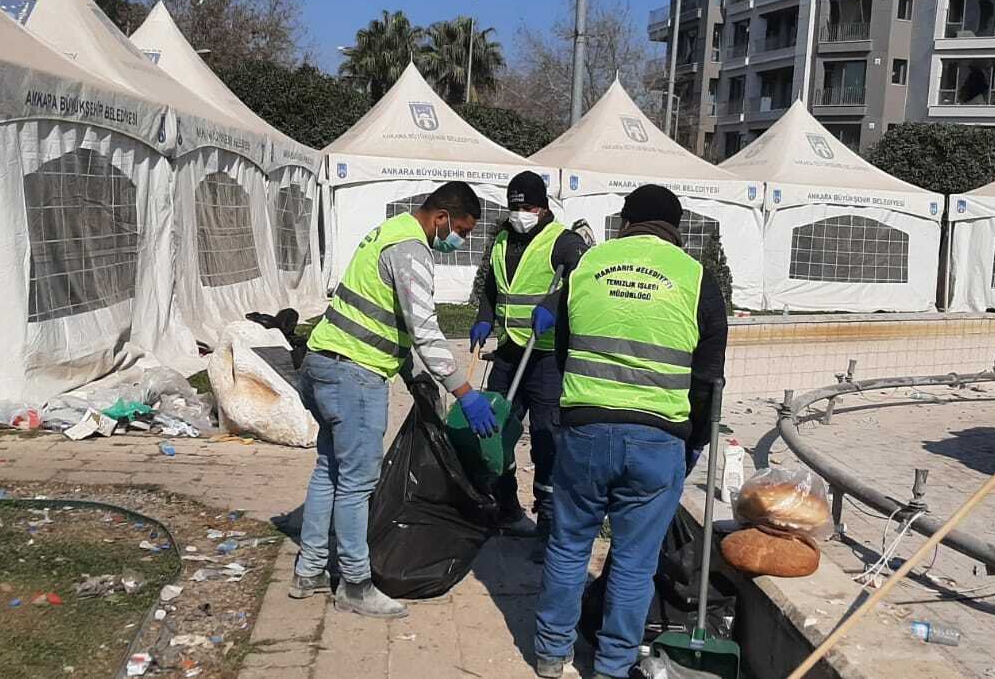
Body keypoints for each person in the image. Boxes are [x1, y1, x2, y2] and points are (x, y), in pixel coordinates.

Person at [533, 185, 728, 679]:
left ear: (625, 220)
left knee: (568, 545)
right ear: (675, 227)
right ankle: (613, 665)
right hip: (659, 438)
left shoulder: (587, 267)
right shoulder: (696, 277)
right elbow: (709, 377)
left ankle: (551, 654)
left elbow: (562, 351)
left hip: (586, 431)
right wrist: (695, 441)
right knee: (634, 561)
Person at [291, 181, 500, 619]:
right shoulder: (409, 249)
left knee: (330, 470)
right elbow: (424, 328)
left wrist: (410, 374)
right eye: (460, 230)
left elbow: (385, 316)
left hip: (322, 363)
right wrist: (464, 392)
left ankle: (309, 569)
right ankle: (355, 584)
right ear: (441, 216)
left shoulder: (385, 232)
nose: (458, 240)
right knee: (356, 484)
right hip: (355, 376)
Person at [469, 171, 587, 551]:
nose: (520, 213)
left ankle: (548, 520)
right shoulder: (503, 238)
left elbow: (580, 279)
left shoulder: (563, 242)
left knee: (546, 437)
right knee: (495, 430)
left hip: (546, 356)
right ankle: (506, 507)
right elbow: (493, 285)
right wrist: (483, 317)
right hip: (508, 351)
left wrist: (553, 304)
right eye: (514, 206)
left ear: (543, 206)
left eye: (527, 206)